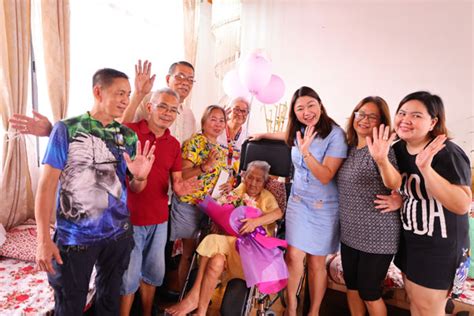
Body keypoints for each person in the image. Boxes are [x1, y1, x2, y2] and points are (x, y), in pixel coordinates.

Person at [35, 68, 156, 315]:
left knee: (109, 303)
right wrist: (43, 240)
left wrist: (141, 177)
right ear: (98, 91)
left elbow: (134, 188)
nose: (125, 100)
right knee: (70, 305)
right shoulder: (66, 130)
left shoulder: (127, 136)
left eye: (129, 94)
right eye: (120, 93)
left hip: (117, 236)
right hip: (74, 239)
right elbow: (46, 186)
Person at [252, 86, 348, 315]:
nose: (307, 112)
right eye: (300, 108)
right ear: (294, 113)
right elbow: (286, 137)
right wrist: (264, 135)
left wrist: (306, 152)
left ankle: (313, 310)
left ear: (320, 105)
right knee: (293, 256)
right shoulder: (298, 131)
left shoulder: (336, 135)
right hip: (298, 202)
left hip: (324, 209)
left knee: (316, 263)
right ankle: (292, 306)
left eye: (311, 105)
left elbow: (326, 176)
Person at [119, 88, 199, 316]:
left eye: (173, 110)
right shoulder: (131, 132)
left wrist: (183, 188)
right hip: (130, 219)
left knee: (153, 274)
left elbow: (177, 182)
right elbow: (116, 131)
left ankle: (146, 313)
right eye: (162, 106)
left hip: (160, 220)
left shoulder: (174, 144)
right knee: (129, 277)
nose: (167, 113)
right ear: (149, 107)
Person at [165, 160, 283, 316]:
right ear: (244, 176)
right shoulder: (237, 191)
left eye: (259, 179)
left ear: (264, 182)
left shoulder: (266, 198)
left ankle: (193, 296)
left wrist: (255, 222)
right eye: (250, 177)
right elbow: (221, 210)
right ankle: (201, 312)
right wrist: (218, 220)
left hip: (248, 256)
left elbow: (278, 214)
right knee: (215, 262)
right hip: (228, 252)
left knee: (212, 240)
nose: (253, 183)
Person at [391, 91, 471, 316]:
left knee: (429, 310)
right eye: (402, 113)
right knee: (415, 304)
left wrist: (425, 169)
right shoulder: (397, 149)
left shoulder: (447, 153)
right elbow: (404, 188)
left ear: (433, 122)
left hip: (440, 247)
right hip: (410, 241)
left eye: (416, 115)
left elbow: (463, 204)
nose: (406, 119)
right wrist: (399, 199)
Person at [336, 96, 401, 316]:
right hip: (350, 233)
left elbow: (394, 183)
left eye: (371, 116)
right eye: (360, 113)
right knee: (352, 288)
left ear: (381, 122)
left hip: (378, 235)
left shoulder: (384, 149)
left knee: (369, 293)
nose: (364, 119)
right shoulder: (347, 147)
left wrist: (381, 159)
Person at [169, 105, 231, 291]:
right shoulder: (194, 143)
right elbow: (182, 175)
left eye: (222, 120)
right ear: (203, 122)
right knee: (187, 254)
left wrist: (226, 185)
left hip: (209, 207)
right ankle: (181, 294)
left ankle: (193, 296)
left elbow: (219, 176)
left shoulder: (221, 149)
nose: (218, 124)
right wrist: (204, 166)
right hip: (189, 205)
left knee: (202, 254)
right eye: (213, 119)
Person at [122, 60, 197, 143]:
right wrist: (138, 94)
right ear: (168, 79)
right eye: (180, 77)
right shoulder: (148, 99)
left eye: (190, 80)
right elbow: (122, 128)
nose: (186, 83)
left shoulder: (189, 115)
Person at [217, 97, 251, 181]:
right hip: (213, 173)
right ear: (229, 110)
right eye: (236, 109)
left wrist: (233, 181)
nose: (240, 114)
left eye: (244, 111)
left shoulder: (247, 137)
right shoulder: (218, 128)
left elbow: (244, 166)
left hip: (232, 179)